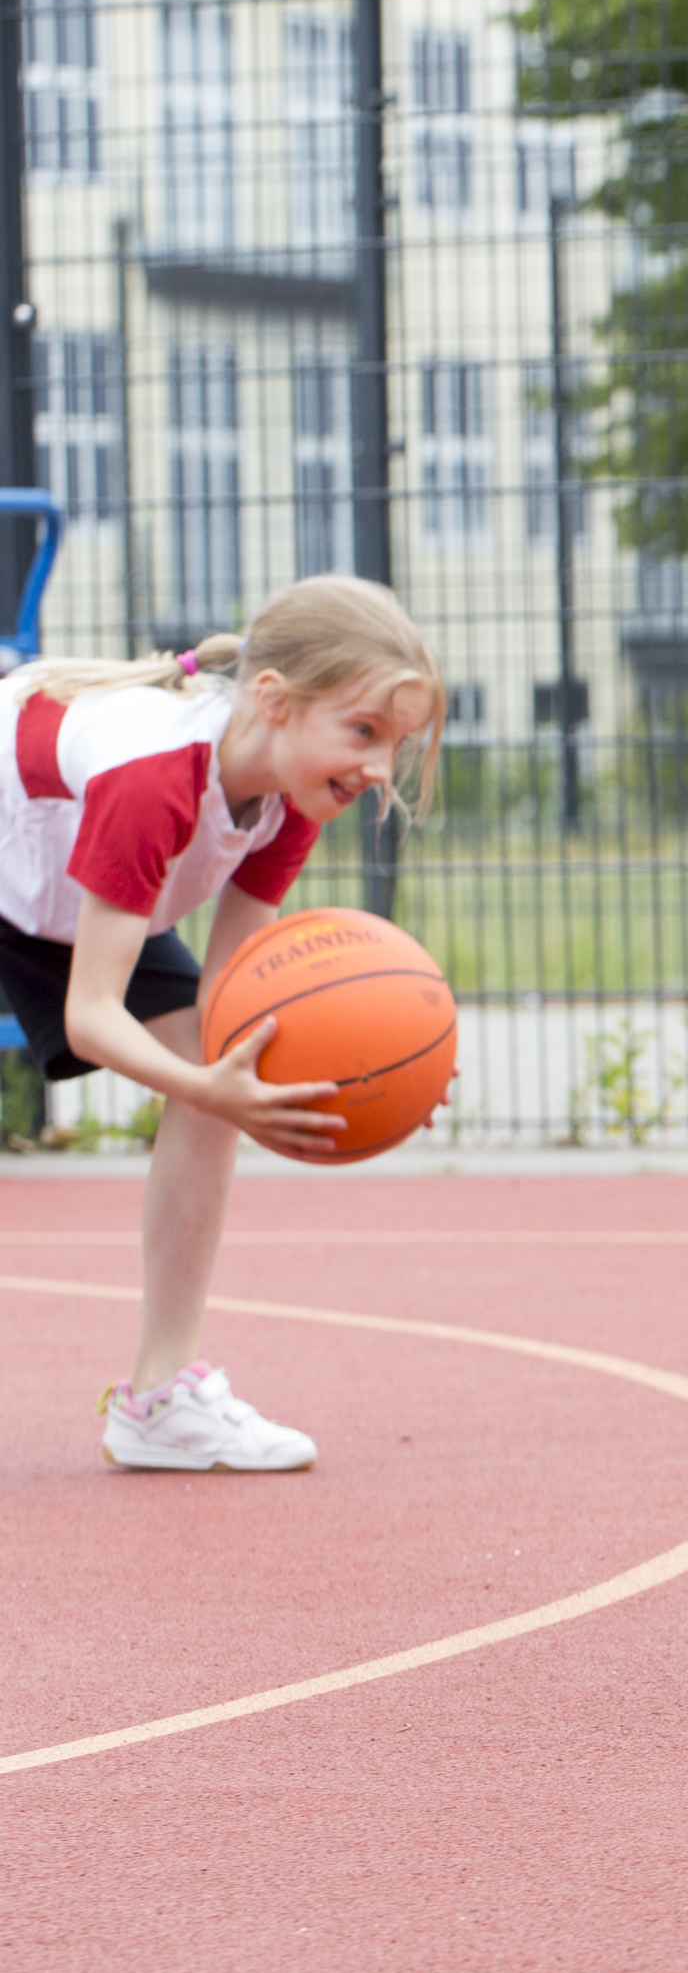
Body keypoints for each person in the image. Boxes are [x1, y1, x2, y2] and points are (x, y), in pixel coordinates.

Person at [0, 574, 447, 1471]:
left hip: (55, 898)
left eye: (393, 745)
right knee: (211, 1082)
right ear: (276, 701)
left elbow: (239, 1012)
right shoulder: (153, 779)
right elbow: (92, 1018)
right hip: (33, 867)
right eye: (363, 731)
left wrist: (385, 1070)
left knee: (218, 1077)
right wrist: (215, 1082)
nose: (377, 769)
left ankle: (158, 1399)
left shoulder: (291, 797)